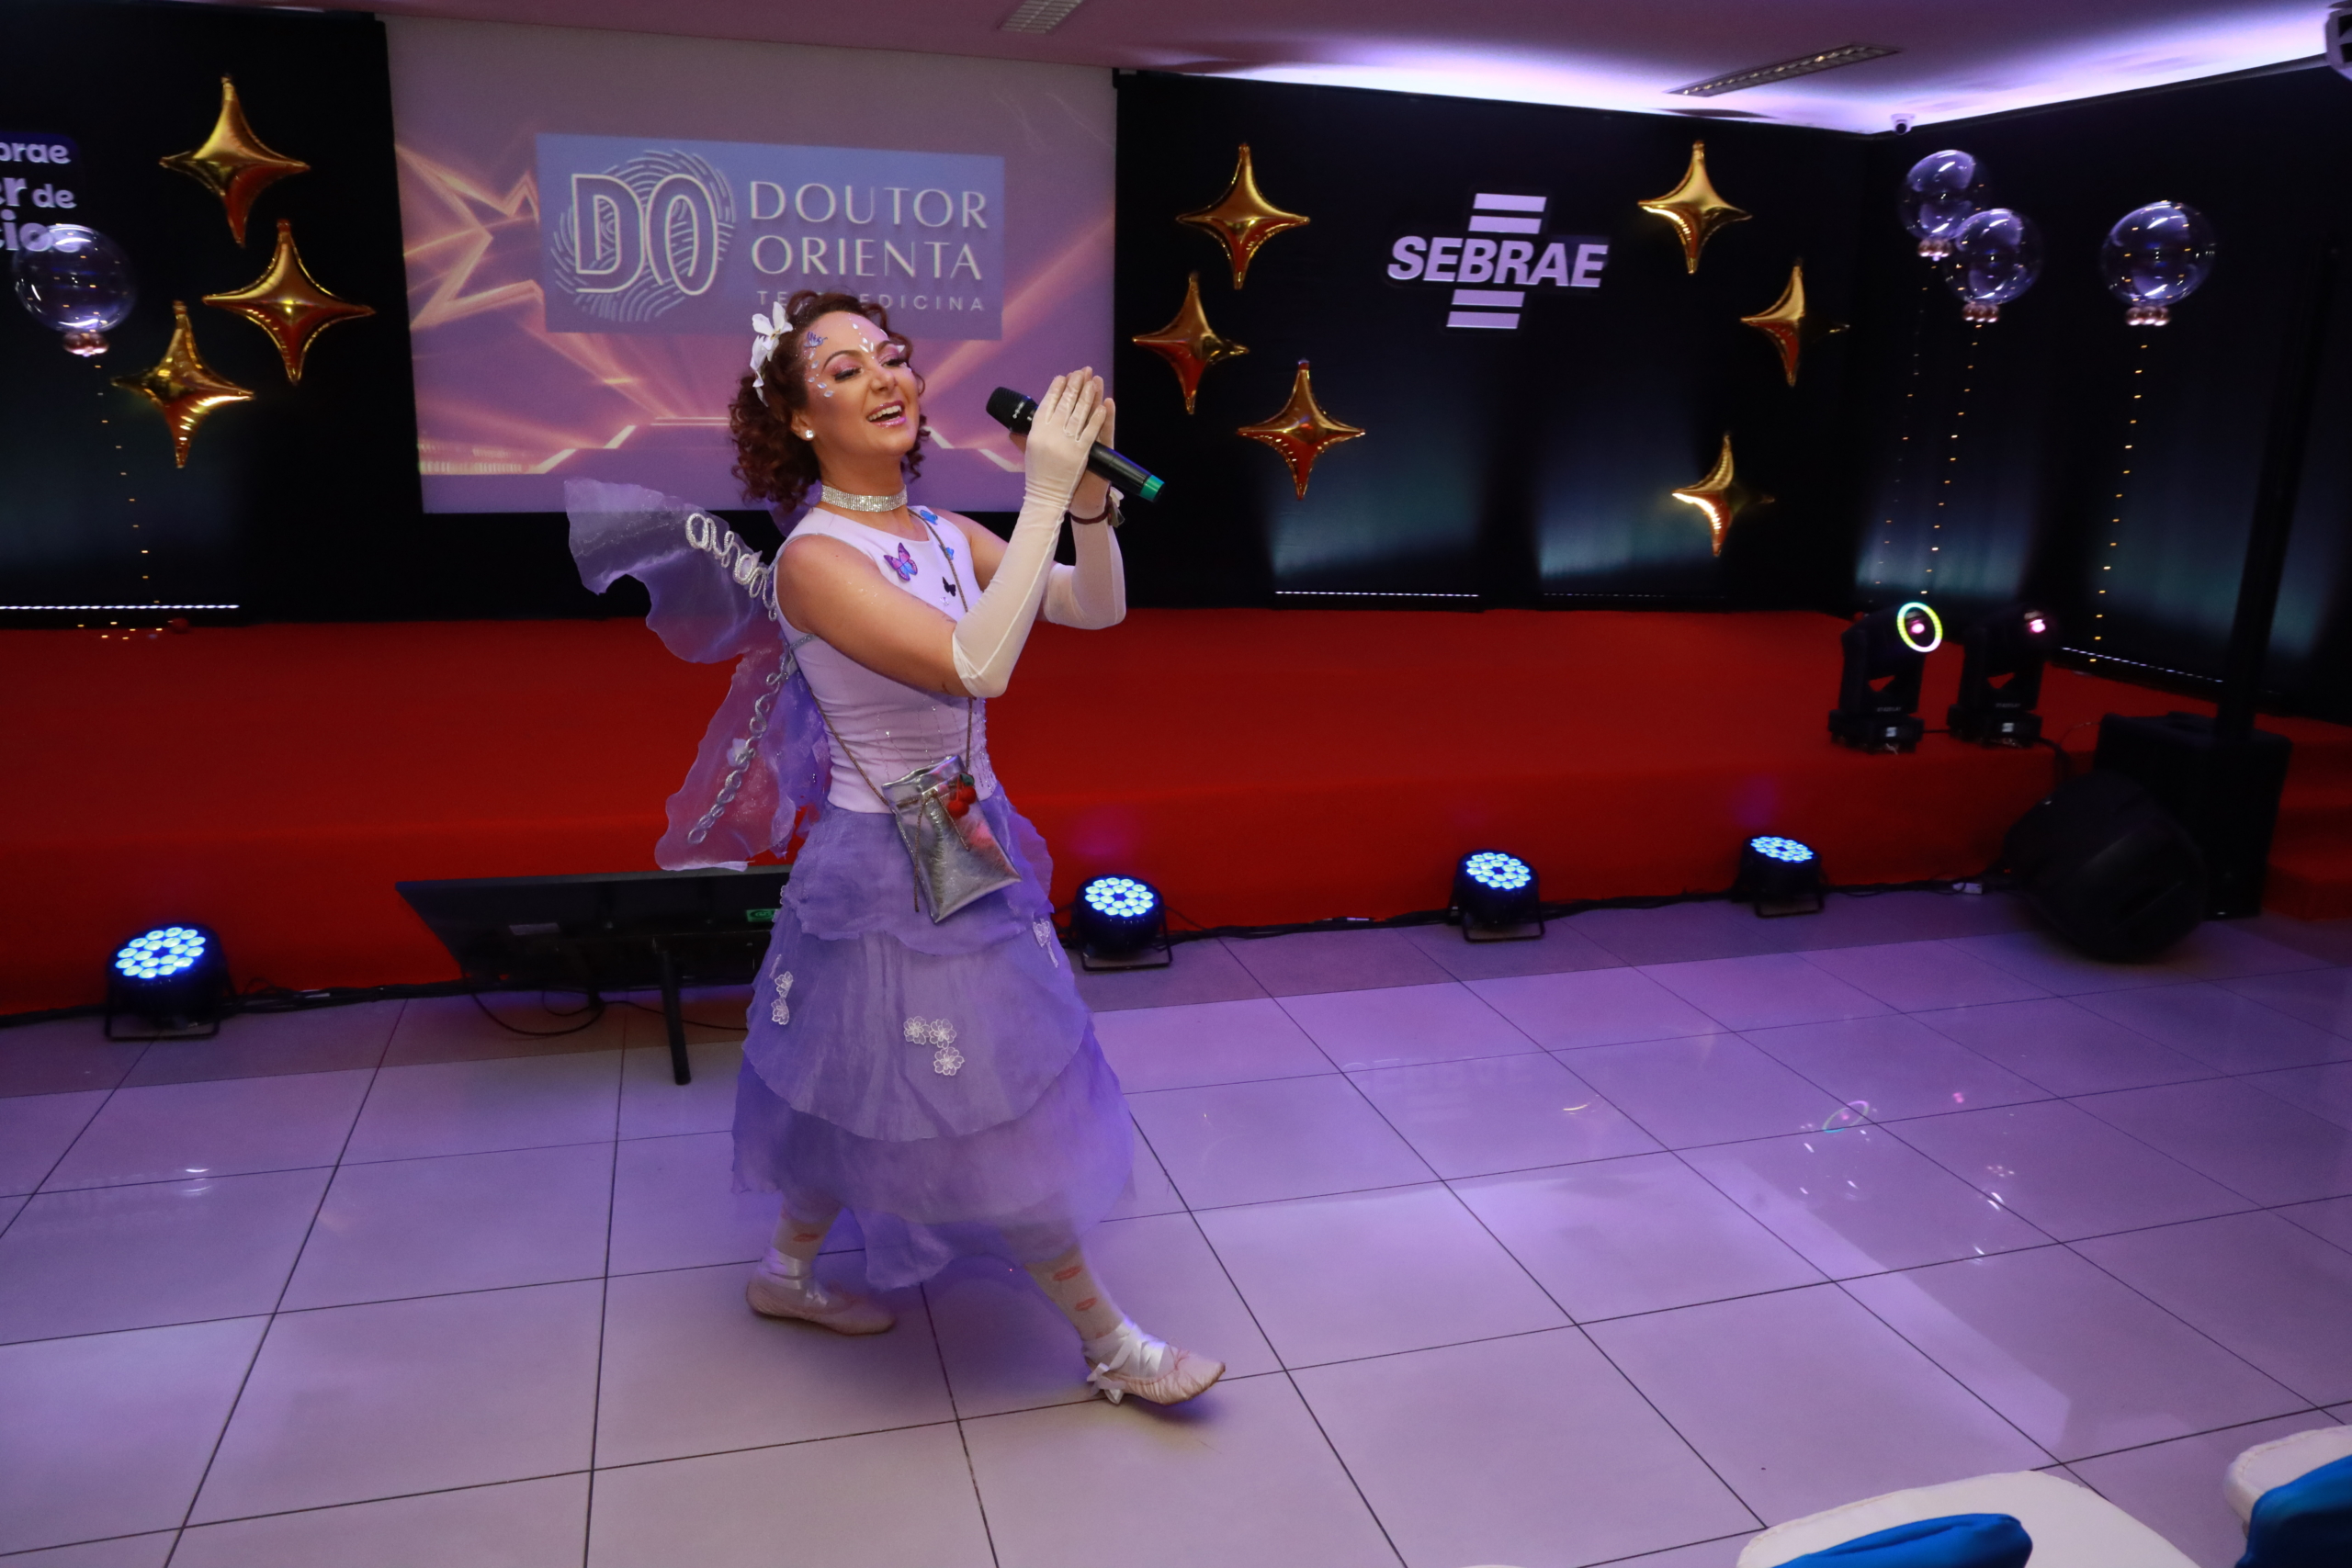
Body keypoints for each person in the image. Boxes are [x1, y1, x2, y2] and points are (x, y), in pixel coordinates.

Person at [567, 288, 1219, 1406]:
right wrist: (1042, 493)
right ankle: (1111, 1344)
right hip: (883, 867)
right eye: (844, 369)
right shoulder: (816, 560)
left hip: (962, 839)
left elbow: (1090, 608)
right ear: (799, 419)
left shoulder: (943, 532)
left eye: (891, 356)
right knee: (988, 1110)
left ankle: (785, 1273)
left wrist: (1087, 510)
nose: (884, 377)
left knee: (857, 1083)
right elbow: (977, 665)